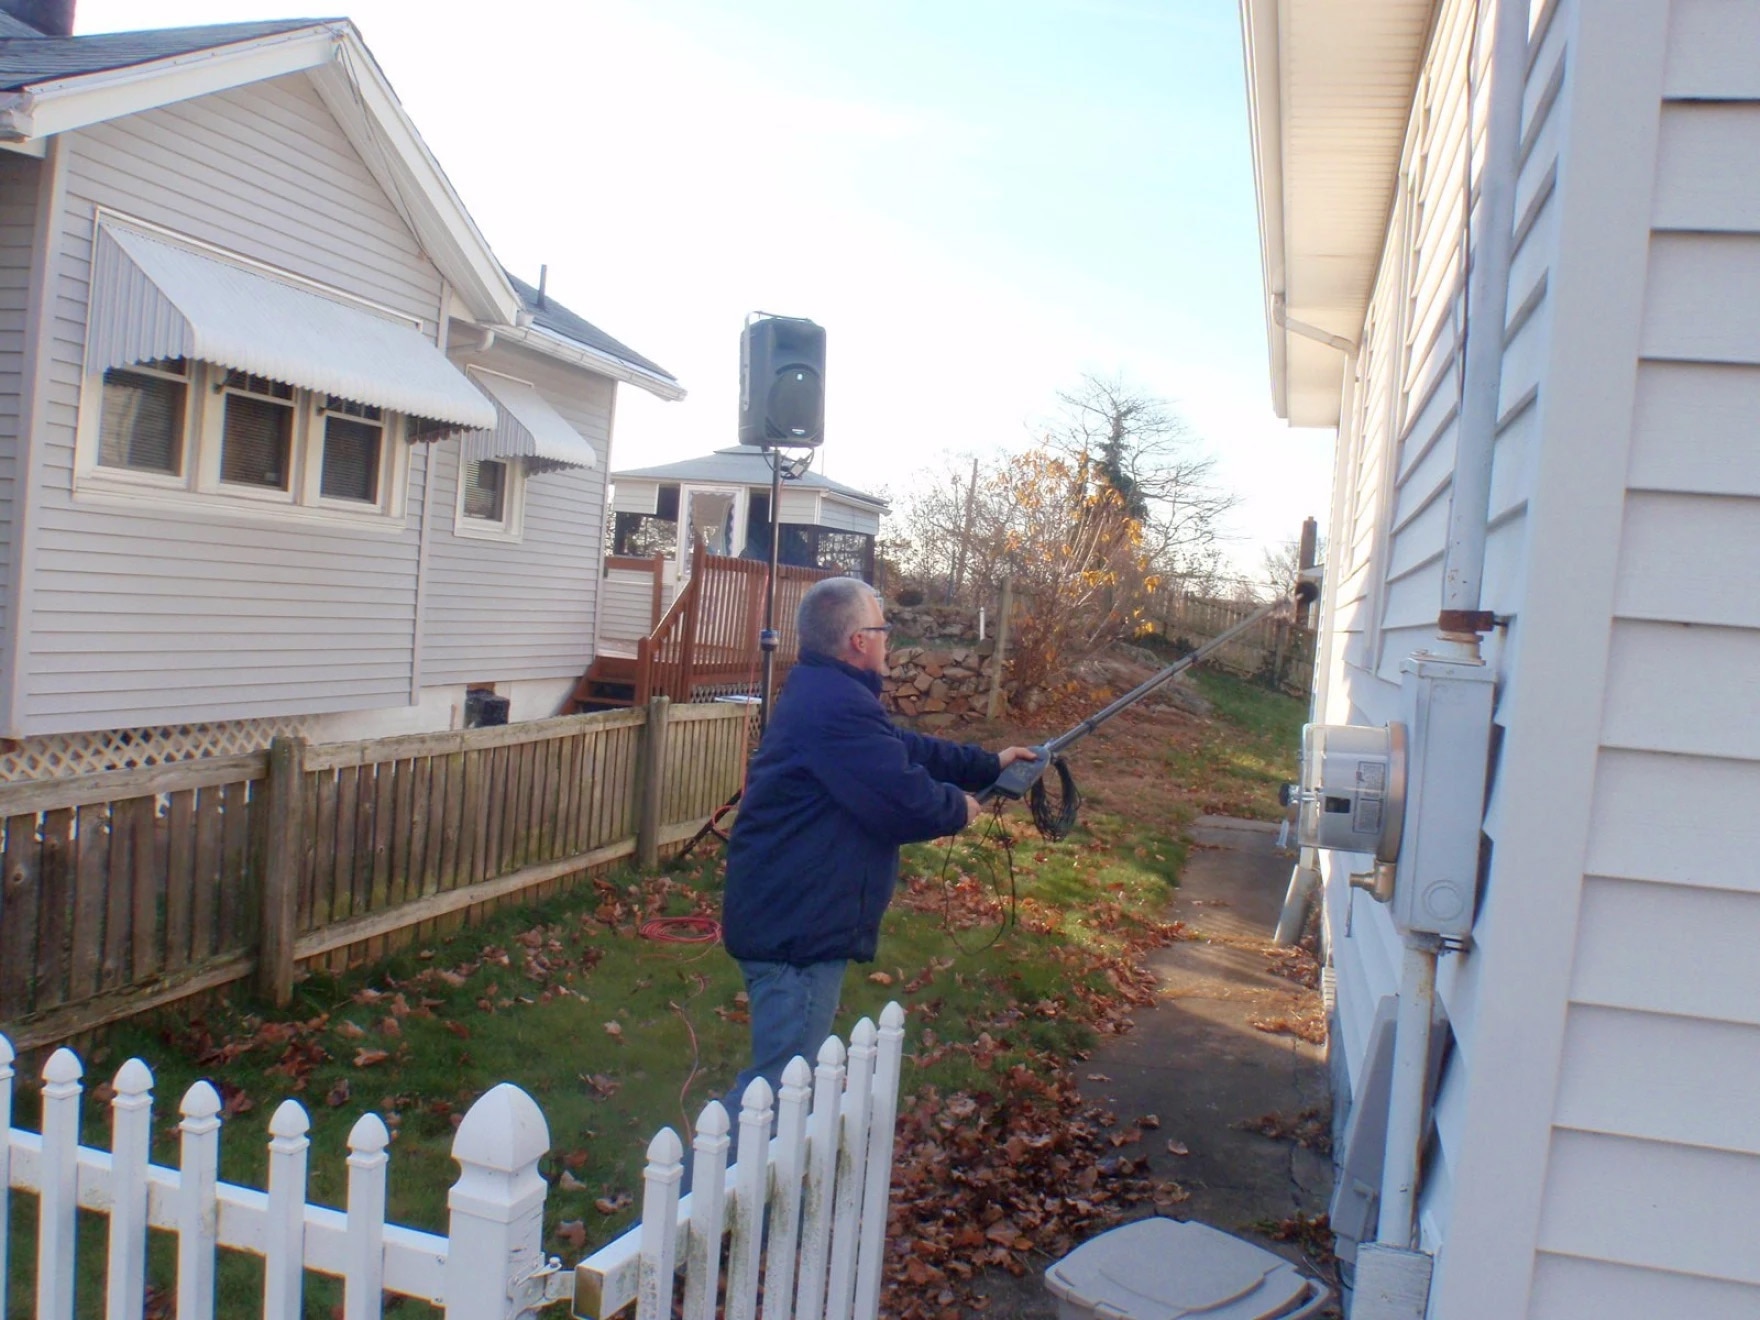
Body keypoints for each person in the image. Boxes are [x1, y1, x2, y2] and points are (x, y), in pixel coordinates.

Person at [722, 576, 1037, 1098]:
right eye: (882, 628)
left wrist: (986, 763)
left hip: (793, 915)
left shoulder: (829, 692)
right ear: (858, 641)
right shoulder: (835, 707)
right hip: (793, 930)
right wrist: (959, 807)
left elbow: (900, 748)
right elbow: (901, 800)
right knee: (777, 1090)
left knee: (788, 1081)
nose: (889, 637)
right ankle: (706, 1178)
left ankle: (760, 1174)